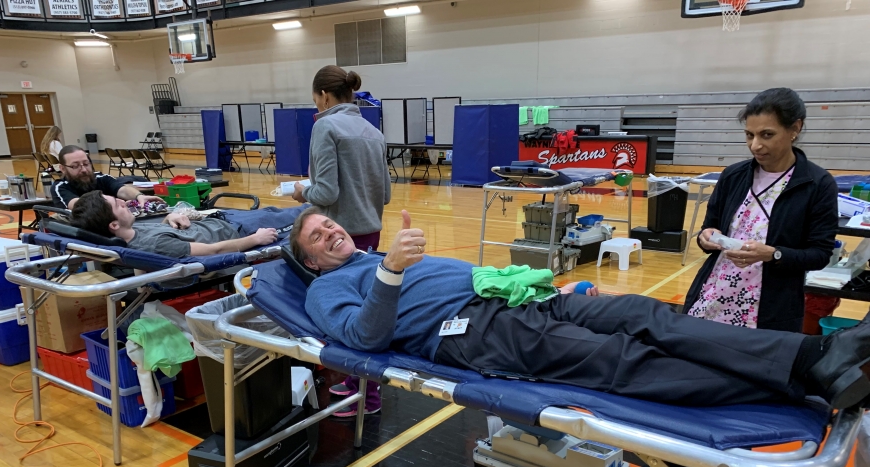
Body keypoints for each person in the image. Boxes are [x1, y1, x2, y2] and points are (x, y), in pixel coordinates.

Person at [291, 207, 870, 413]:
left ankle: (815, 355)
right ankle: (793, 387)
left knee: (645, 315)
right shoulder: (326, 290)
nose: (331, 232)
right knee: (618, 359)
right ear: (312, 263)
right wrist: (390, 270)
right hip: (469, 334)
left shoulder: (369, 258)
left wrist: (544, 290)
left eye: (329, 223)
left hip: (518, 298)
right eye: (317, 236)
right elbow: (362, 341)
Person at [684, 88, 837, 332]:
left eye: (767, 134)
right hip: (713, 298)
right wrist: (706, 237)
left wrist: (773, 254)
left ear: (795, 128)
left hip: (770, 311)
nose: (755, 145)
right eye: (749, 135)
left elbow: (820, 254)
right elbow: (708, 230)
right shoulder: (733, 176)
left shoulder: (817, 184)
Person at [293, 65, 391, 417]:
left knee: (351, 317)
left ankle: (367, 398)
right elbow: (387, 193)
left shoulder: (326, 126)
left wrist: (302, 190)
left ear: (323, 96)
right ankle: (357, 384)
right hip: (369, 230)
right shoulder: (372, 129)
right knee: (365, 310)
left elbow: (326, 190)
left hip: (338, 237)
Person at [70, 191, 278, 257]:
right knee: (297, 215)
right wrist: (255, 239)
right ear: (114, 225)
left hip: (222, 221)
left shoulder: (132, 232)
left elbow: (160, 232)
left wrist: (168, 219)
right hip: (237, 231)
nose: (124, 202)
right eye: (118, 205)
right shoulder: (156, 245)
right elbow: (214, 250)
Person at [52, 145, 165, 210]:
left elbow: (122, 189)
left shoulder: (101, 178)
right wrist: (114, 203)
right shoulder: (60, 187)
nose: (84, 170)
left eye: (86, 164)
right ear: (62, 168)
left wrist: (139, 196)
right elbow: (78, 205)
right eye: (75, 166)